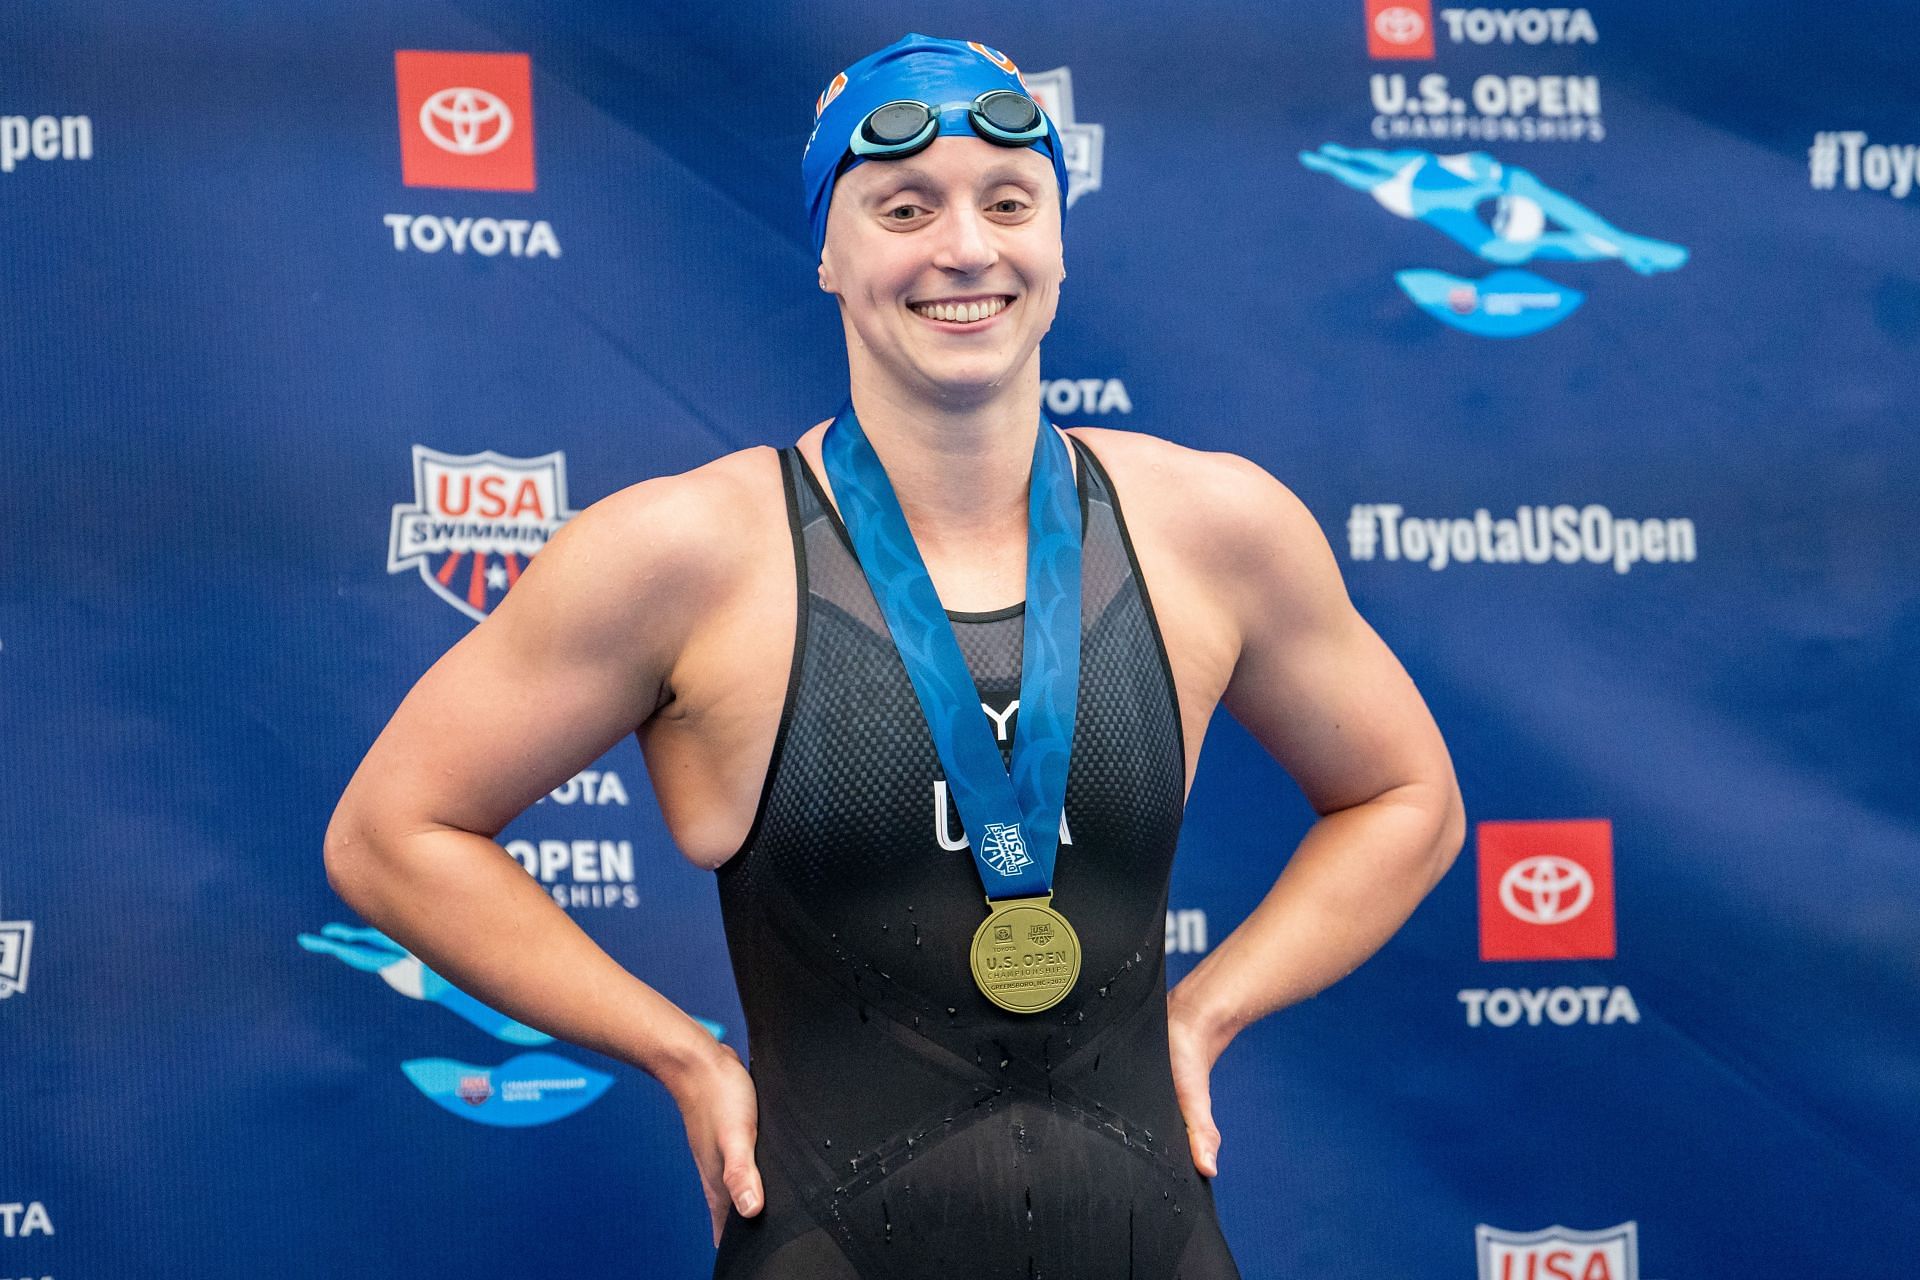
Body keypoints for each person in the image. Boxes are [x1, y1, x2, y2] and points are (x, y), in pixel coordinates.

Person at [325, 33, 1464, 1279]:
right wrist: (680, 1051)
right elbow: (394, 831)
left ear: (1059, 242)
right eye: (904, 207)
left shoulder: (1217, 528)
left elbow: (1408, 799)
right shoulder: (686, 553)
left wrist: (1208, 1009)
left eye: (1009, 202)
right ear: (828, 250)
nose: (965, 247)